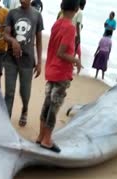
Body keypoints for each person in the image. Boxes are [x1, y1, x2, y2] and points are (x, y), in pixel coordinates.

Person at [35, 0, 82, 153]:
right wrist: (76, 60)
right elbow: (61, 53)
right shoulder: (70, 27)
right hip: (61, 73)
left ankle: (41, 136)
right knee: (54, 106)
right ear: (76, 9)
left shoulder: (57, 23)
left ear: (62, 7)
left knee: (47, 103)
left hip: (51, 69)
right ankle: (47, 140)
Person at [3, 0, 43, 126]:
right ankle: (6, 120)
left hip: (27, 61)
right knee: (9, 92)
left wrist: (39, 63)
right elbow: (5, 35)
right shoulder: (12, 13)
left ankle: (25, 110)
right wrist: (13, 41)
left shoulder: (37, 15)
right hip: (10, 59)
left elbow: (39, 40)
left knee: (25, 92)